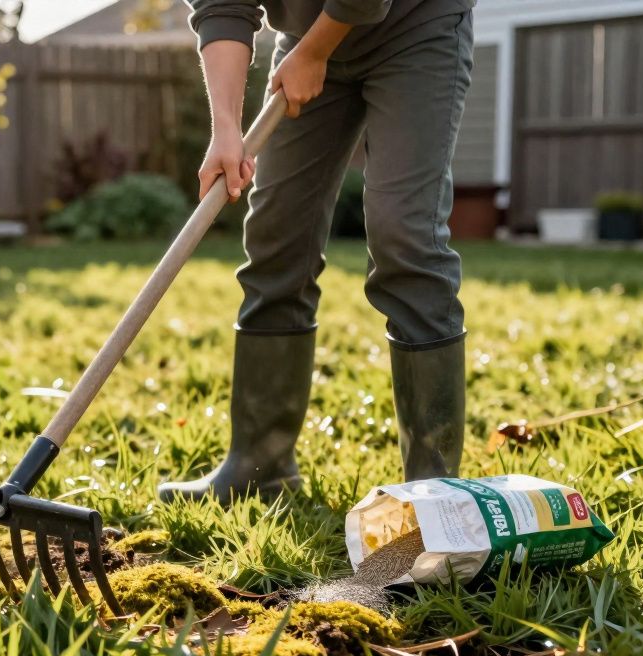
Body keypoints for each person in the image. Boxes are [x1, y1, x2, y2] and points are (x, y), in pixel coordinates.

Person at [159, 0, 475, 504]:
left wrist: (315, 51)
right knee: (276, 237)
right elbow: (223, 6)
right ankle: (259, 465)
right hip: (304, 39)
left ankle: (432, 491)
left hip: (416, 26)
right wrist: (226, 131)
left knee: (403, 237)